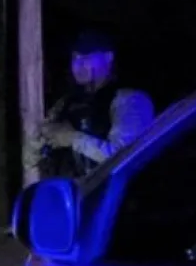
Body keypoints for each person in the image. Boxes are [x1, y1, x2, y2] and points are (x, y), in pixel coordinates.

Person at [30, 30, 155, 179]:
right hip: (66, 197)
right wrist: (38, 143)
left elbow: (127, 158)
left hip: (113, 199)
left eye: (87, 57)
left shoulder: (129, 100)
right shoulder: (65, 103)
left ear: (108, 57)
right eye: (75, 58)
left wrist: (72, 138)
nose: (79, 65)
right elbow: (31, 159)